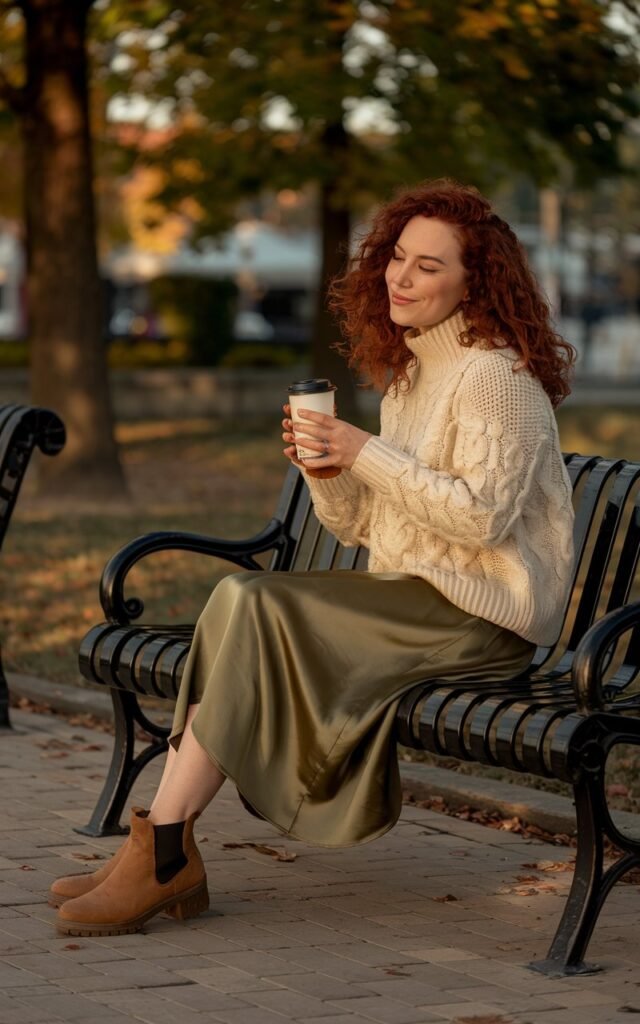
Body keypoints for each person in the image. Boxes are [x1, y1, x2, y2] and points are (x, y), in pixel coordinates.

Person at [50, 179, 576, 937]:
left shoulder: (495, 375)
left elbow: (482, 519)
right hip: (410, 600)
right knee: (239, 598)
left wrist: (364, 450)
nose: (401, 276)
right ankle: (164, 846)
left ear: (475, 281)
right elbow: (366, 525)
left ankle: (161, 856)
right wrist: (326, 473)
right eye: (397, 257)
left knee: (258, 603)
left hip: (481, 618)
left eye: (429, 266)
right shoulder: (414, 374)